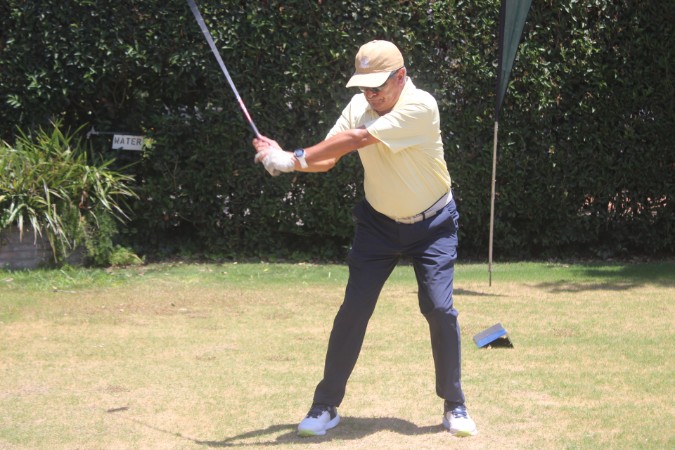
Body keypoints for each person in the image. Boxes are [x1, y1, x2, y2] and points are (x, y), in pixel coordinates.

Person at [252, 40, 477, 438]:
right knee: (353, 310)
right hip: (378, 227)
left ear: (401, 77)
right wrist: (288, 161)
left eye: (378, 86)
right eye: (364, 86)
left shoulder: (421, 106)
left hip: (434, 225)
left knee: (440, 309)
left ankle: (454, 404)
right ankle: (325, 405)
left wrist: (291, 158)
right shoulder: (359, 105)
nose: (370, 94)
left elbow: (357, 140)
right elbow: (327, 159)